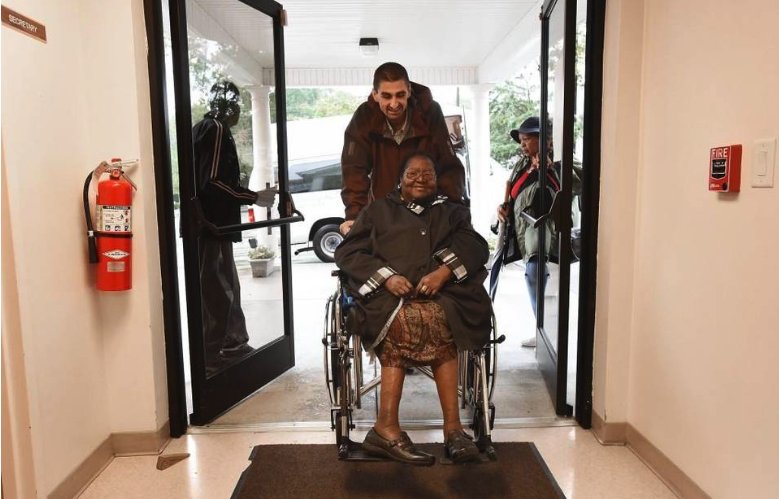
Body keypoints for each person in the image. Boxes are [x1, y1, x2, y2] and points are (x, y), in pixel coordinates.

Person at [334, 152, 492, 465]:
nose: (420, 178)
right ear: (400, 180)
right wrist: (387, 277)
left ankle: (452, 430)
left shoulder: (452, 211)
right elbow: (349, 252)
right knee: (409, 320)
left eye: (428, 173)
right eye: (412, 174)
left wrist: (444, 272)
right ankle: (389, 427)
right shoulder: (378, 211)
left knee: (440, 316)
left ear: (437, 180)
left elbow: (475, 246)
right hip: (388, 300)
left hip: (446, 296)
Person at [192, 80, 278, 374]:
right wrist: (254, 196)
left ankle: (232, 345)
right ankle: (216, 356)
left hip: (213, 227)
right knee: (219, 289)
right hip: (211, 228)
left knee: (225, 286)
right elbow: (212, 181)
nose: (240, 109)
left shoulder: (206, 129)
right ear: (225, 105)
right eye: (237, 103)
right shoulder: (215, 129)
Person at [339, 62, 466, 235]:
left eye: (400, 95)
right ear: (375, 95)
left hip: (427, 213)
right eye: (386, 96)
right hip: (384, 213)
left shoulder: (429, 112)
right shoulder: (364, 118)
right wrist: (354, 216)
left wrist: (454, 210)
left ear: (409, 92)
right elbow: (353, 170)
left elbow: (448, 164)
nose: (394, 104)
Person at [496, 116, 560, 348]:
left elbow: (565, 187)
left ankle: (542, 329)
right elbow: (513, 191)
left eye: (527, 140)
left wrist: (548, 168)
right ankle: (540, 327)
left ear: (545, 141)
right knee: (533, 275)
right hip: (523, 228)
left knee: (535, 274)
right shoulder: (522, 164)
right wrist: (503, 208)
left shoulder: (554, 163)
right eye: (521, 140)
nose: (523, 145)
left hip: (542, 229)